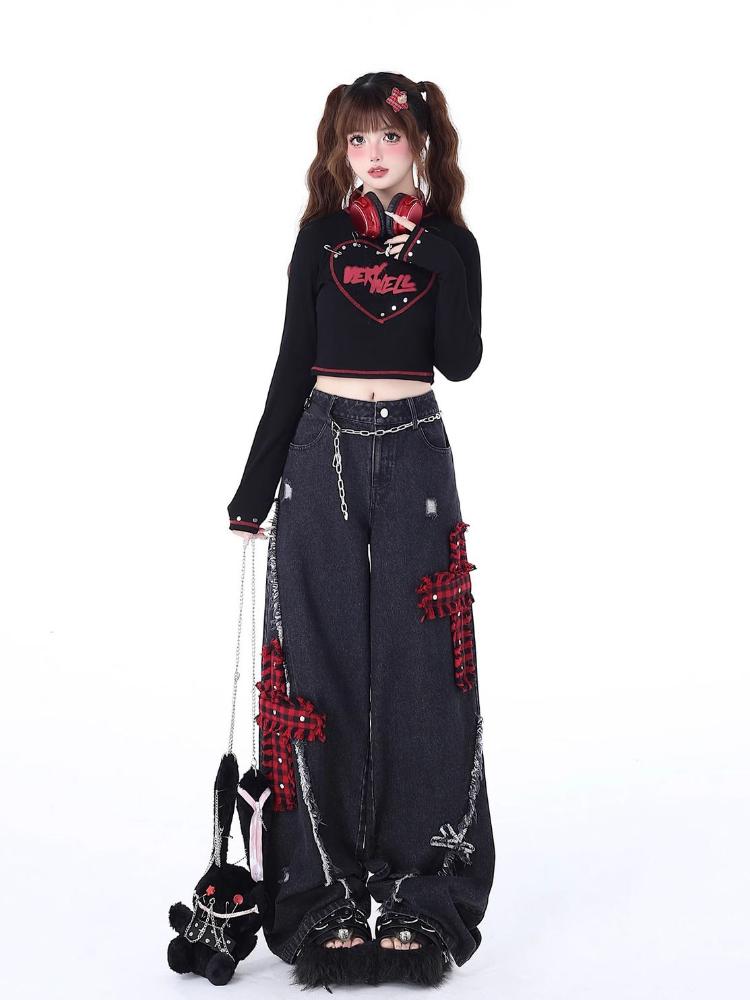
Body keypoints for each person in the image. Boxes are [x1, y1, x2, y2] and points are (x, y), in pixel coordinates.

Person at [227, 72, 496, 989]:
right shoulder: (321, 238)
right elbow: (292, 363)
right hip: (321, 449)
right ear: (340, 149)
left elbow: (460, 361)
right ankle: (323, 898)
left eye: (388, 136)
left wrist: (439, 258)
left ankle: (426, 898)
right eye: (356, 139)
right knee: (316, 667)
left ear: (419, 144)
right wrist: (255, 488)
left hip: (416, 447)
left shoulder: (450, 243)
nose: (372, 154)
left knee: (427, 670)